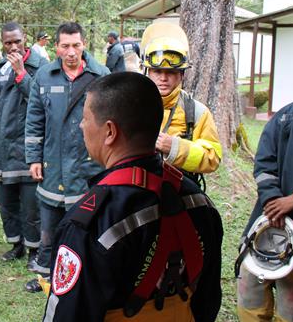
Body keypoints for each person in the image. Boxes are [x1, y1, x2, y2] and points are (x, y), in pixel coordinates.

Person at [42, 72, 223, 321]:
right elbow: (208, 301)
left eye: (85, 118)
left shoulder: (89, 224)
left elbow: (68, 315)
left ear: (110, 131)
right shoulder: (201, 203)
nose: (82, 126)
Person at [237, 59, 293, 321]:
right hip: (271, 215)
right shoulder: (287, 116)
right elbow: (264, 161)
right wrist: (273, 200)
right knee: (250, 283)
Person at [25, 22, 110, 292]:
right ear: (56, 48)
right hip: (52, 165)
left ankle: (82, 279)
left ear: (84, 44)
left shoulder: (102, 76)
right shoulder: (44, 76)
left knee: (86, 228)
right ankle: (45, 276)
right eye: (65, 46)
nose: (71, 52)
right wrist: (34, 158)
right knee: (49, 228)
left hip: (89, 168)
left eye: (76, 45)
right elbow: (34, 119)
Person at [0, 22, 45, 267]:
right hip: (2, 147)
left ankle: (35, 250)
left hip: (26, 146)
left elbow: (40, 100)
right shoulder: (0, 68)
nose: (13, 47)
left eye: (17, 41)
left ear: (25, 39)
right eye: (8, 43)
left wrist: (21, 72)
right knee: (7, 203)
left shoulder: (41, 67)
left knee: (31, 206)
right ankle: (16, 245)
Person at [141, 22, 221, 189]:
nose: (163, 78)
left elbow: (212, 158)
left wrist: (175, 148)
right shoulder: (131, 106)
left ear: (182, 75)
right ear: (147, 71)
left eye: (171, 72)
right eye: (157, 71)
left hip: (178, 194)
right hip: (137, 192)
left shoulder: (197, 112)